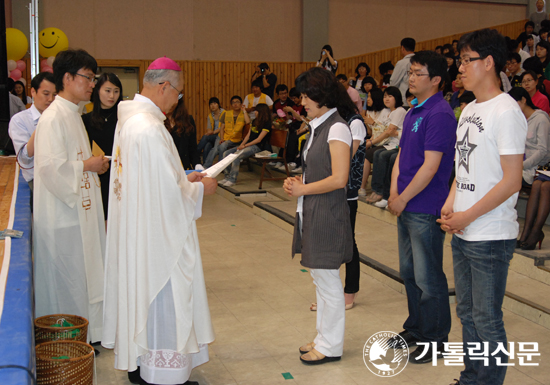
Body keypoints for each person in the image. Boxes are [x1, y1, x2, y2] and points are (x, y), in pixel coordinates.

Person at [102, 57, 217, 385]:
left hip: (140, 228)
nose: (177, 100)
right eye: (177, 93)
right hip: (158, 236)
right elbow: (169, 195)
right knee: (166, 297)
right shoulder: (149, 128)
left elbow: (153, 181)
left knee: (144, 299)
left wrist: (184, 178)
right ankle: (162, 376)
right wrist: (199, 188)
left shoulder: (129, 121)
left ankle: (142, 366)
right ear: (164, 86)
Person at [438, 29, 527, 385]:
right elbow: (464, 167)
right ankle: (471, 377)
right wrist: (450, 204)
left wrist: (468, 215)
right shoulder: (469, 108)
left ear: (488, 63)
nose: (459, 68)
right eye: (459, 60)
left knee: (487, 318)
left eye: (466, 60)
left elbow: (512, 181)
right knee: (468, 314)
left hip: (490, 234)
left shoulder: (506, 112)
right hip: (464, 228)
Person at [33, 49, 109, 346]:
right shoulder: (53, 118)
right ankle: (66, 338)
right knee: (68, 280)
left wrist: (92, 164)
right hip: (63, 217)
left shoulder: (73, 114)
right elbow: (50, 170)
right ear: (67, 78)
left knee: (83, 277)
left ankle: (85, 334)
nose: (92, 84)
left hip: (80, 212)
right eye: (88, 78)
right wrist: (87, 165)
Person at [386, 50, 456, 364]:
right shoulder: (414, 110)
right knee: (410, 272)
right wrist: (393, 191)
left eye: (418, 73)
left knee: (429, 277)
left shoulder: (439, 113)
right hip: (405, 203)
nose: (411, 78)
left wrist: (403, 197)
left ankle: (436, 338)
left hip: (425, 206)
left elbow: (431, 166)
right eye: (410, 72)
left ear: (437, 80)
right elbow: (402, 156)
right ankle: (416, 327)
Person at [284, 67, 352, 365]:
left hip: (328, 213)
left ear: (321, 95)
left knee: (327, 281)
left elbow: (340, 178)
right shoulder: (318, 126)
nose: (302, 102)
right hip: (313, 209)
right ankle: (323, 335)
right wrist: (298, 184)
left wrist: (304, 188)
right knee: (320, 279)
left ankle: (331, 345)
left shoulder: (337, 128)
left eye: (306, 96)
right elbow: (316, 171)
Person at [82, 72, 123, 221]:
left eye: (116, 91)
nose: (112, 95)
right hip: (95, 174)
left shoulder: (124, 119)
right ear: (97, 90)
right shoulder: (85, 120)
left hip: (120, 174)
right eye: (107, 90)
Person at [9, 72, 55, 192]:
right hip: (36, 180)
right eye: (46, 94)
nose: (51, 99)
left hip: (61, 176)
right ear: (33, 92)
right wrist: (43, 122)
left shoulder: (60, 118)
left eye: (55, 95)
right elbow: (24, 158)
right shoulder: (20, 120)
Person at [365, 86, 407, 208]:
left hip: (396, 144)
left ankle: (382, 192)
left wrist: (372, 143)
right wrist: (372, 139)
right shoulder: (387, 111)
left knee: (381, 155)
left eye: (390, 96)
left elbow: (389, 131)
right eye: (385, 96)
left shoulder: (400, 111)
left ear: (397, 98)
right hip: (387, 143)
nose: (386, 99)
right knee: (378, 154)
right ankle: (376, 190)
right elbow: (379, 130)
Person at [219, 103, 271, 187]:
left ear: (261, 112)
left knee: (236, 156)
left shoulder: (267, 124)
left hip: (257, 147)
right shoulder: (254, 121)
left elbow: (259, 140)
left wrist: (245, 146)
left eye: (256, 111)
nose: (255, 112)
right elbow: (248, 136)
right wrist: (242, 145)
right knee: (226, 153)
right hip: (247, 145)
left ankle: (232, 179)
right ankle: (227, 176)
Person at [508, 87, 550, 186]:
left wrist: (522, 165)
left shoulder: (541, 119)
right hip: (521, 164)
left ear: (523, 100)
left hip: (535, 166)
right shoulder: (519, 120)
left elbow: (542, 150)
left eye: (514, 103)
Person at [358, 88, 390, 196]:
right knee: (357, 148)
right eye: (368, 97)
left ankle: (362, 188)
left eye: (370, 97)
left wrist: (373, 123)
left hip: (386, 142)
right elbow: (372, 132)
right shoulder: (370, 111)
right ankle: (358, 181)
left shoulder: (386, 112)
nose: (368, 99)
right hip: (375, 140)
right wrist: (366, 124)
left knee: (367, 154)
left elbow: (386, 132)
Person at [203, 96, 246, 168]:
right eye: (233, 103)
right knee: (215, 148)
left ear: (241, 104)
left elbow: (248, 122)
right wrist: (222, 138)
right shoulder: (227, 114)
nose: (235, 104)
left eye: (237, 102)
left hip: (235, 138)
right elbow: (222, 128)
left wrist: (244, 111)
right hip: (222, 136)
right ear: (231, 105)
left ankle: (220, 166)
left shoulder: (243, 114)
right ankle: (206, 166)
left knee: (219, 146)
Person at [166, 98, 200, 170]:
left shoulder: (188, 120)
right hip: (166, 170)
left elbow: (192, 148)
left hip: (184, 169)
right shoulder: (158, 121)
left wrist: (197, 165)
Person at [197, 97, 224, 164]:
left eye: (214, 103)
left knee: (205, 137)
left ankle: (196, 152)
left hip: (222, 135)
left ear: (218, 104)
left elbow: (223, 127)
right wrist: (209, 132)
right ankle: (205, 166)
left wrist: (213, 132)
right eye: (211, 104)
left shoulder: (224, 113)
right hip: (214, 136)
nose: (213, 105)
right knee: (207, 146)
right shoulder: (210, 115)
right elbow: (209, 127)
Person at [390, 37, 416, 105]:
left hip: (404, 100)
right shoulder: (420, 61)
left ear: (403, 48)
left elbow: (393, 82)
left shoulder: (402, 63)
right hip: (417, 97)